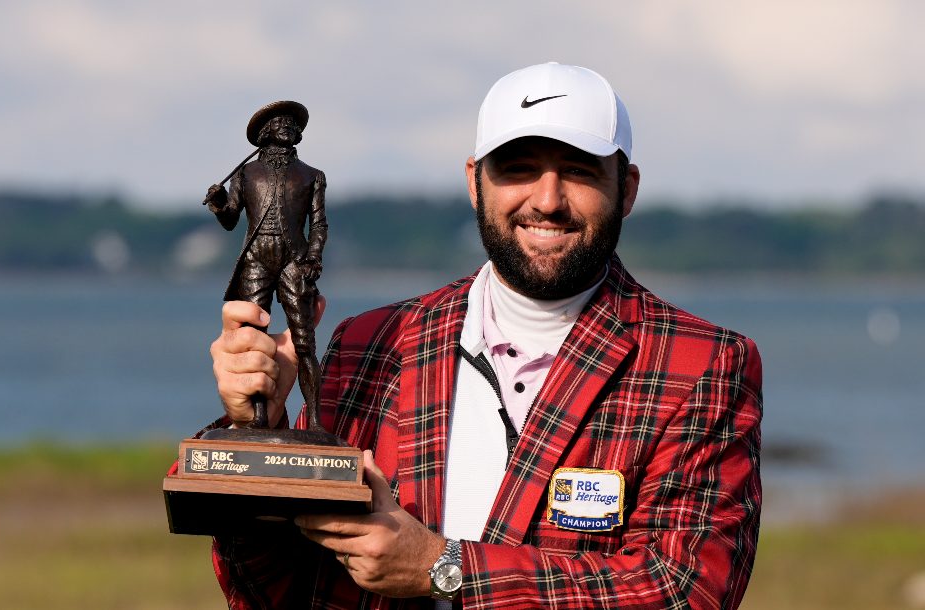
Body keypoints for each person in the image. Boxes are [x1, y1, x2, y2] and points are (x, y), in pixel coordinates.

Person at [203, 63, 763, 609]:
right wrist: (259, 429)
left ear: (628, 188)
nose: (547, 199)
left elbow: (684, 590)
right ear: (474, 181)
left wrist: (445, 569)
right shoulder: (369, 344)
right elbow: (274, 590)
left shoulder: (702, 364)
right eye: (518, 168)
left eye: (580, 170)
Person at [203, 100, 328, 431]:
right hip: (257, 258)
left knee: (305, 343)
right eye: (279, 122)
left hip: (294, 261)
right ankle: (257, 416)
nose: (287, 126)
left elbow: (319, 224)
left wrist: (313, 257)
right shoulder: (246, 174)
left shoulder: (312, 176)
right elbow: (231, 219)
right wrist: (218, 203)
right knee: (252, 337)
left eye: (292, 123)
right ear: (264, 134)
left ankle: (315, 419)